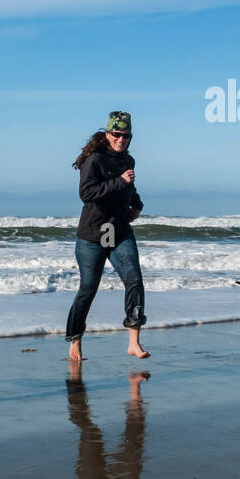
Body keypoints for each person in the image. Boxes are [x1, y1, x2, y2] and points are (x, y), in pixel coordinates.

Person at [65, 111, 149, 361]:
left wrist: (136, 204)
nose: (121, 139)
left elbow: (130, 187)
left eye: (126, 135)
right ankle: (75, 339)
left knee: (134, 280)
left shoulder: (128, 160)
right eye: (117, 134)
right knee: (88, 289)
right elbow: (87, 193)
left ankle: (134, 342)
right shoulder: (94, 160)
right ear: (107, 134)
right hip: (93, 233)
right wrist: (120, 182)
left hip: (119, 230)